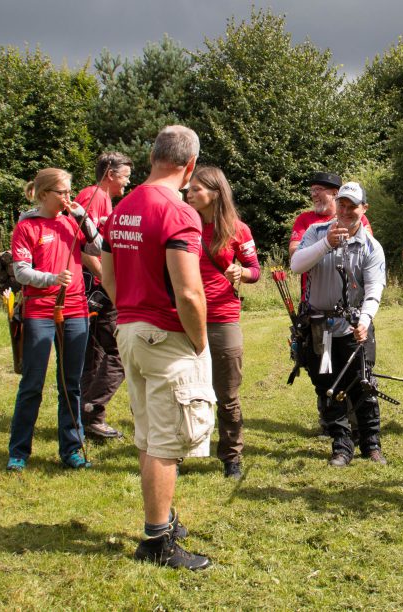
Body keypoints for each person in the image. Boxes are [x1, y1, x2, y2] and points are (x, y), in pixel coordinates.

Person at [102, 125, 214, 570]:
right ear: (189, 167)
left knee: (149, 435)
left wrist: (131, 310)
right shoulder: (179, 213)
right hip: (165, 334)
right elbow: (189, 292)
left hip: (129, 329)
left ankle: (162, 519)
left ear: (152, 157)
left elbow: (108, 278)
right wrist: (199, 342)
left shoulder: (122, 206)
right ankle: (157, 541)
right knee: (167, 442)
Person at [7, 168, 102, 472]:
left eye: (69, 192)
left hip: (75, 309)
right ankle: (19, 452)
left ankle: (72, 449)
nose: (68, 198)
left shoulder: (72, 223)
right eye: (62, 192)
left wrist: (83, 220)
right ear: (44, 193)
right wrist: (50, 278)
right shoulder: (27, 226)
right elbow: (21, 271)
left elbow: (100, 248)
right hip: (39, 310)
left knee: (70, 384)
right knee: (32, 383)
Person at [291, 181, 387, 467]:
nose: (345, 211)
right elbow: (297, 265)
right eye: (341, 205)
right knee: (328, 385)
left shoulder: (371, 246)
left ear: (364, 209)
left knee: (364, 383)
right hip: (321, 329)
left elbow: (374, 289)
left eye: (352, 206)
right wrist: (326, 245)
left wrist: (366, 319)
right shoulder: (315, 232)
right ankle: (341, 446)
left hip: (354, 327)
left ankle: (371, 444)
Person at [186, 166, 261, 480]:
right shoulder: (181, 226)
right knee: (183, 392)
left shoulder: (237, 229)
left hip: (222, 318)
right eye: (188, 189)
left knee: (227, 394)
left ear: (215, 193)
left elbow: (254, 270)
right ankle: (177, 454)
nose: (188, 194)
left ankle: (231, 457)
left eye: (195, 190)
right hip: (184, 318)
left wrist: (240, 273)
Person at [77, 152, 133, 441]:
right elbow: (84, 247)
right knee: (120, 350)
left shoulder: (102, 198)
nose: (127, 181)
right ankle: (91, 410)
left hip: (95, 286)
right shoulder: (93, 195)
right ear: (110, 173)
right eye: (124, 175)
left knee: (96, 353)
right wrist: (107, 281)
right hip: (96, 287)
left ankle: (87, 420)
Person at [289, 172, 372, 257]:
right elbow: (294, 253)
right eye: (312, 190)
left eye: (318, 189)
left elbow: (367, 248)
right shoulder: (304, 218)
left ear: (335, 193)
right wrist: (325, 243)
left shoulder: (355, 218)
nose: (313, 194)